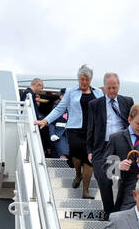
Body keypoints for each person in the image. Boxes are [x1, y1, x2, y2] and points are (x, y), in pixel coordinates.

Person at [42, 65, 102, 197]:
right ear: (78, 78)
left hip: (91, 131)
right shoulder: (70, 91)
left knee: (89, 159)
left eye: (87, 80)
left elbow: (104, 112)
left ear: (91, 80)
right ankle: (77, 174)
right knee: (75, 155)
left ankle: (85, 191)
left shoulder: (98, 93)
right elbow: (59, 109)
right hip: (74, 129)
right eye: (82, 79)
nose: (84, 82)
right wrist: (45, 121)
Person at [86, 72, 134, 218]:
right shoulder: (95, 104)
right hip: (102, 146)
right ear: (104, 87)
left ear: (119, 86)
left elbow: (131, 123)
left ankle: (117, 213)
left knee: (121, 181)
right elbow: (90, 128)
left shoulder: (127, 101)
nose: (112, 91)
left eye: (114, 87)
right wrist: (90, 150)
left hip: (121, 145)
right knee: (104, 179)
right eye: (109, 88)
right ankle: (109, 212)